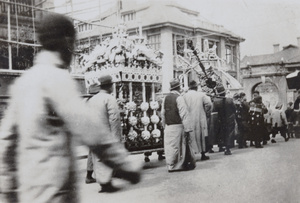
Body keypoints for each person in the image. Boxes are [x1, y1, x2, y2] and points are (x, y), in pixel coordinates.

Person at [0, 13, 141, 203]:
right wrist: (126, 165)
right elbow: (90, 131)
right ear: (67, 41)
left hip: (28, 195)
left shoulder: (22, 83)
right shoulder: (58, 79)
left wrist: (8, 191)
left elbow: (6, 144)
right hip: (54, 195)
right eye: (73, 44)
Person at [87, 74, 123, 192]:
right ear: (109, 86)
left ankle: (103, 182)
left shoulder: (92, 99)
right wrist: (116, 137)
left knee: (98, 159)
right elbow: (114, 119)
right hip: (106, 133)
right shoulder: (109, 99)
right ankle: (106, 183)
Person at [161, 78, 195, 172]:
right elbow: (184, 114)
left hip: (169, 126)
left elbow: (163, 113)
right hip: (178, 126)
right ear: (179, 88)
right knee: (179, 146)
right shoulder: (179, 98)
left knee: (170, 147)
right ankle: (177, 165)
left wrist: (164, 125)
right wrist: (188, 128)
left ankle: (170, 165)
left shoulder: (166, 98)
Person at [183, 80, 212, 161]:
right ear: (196, 87)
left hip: (189, 118)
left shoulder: (184, 96)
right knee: (201, 135)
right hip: (200, 117)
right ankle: (203, 154)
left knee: (190, 136)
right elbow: (209, 104)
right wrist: (206, 111)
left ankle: (191, 155)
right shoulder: (201, 94)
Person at [212, 85, 236, 155]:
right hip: (229, 119)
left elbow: (214, 111)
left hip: (220, 120)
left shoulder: (215, 102)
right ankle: (228, 148)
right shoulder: (230, 100)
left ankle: (222, 146)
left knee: (222, 133)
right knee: (229, 133)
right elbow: (234, 109)